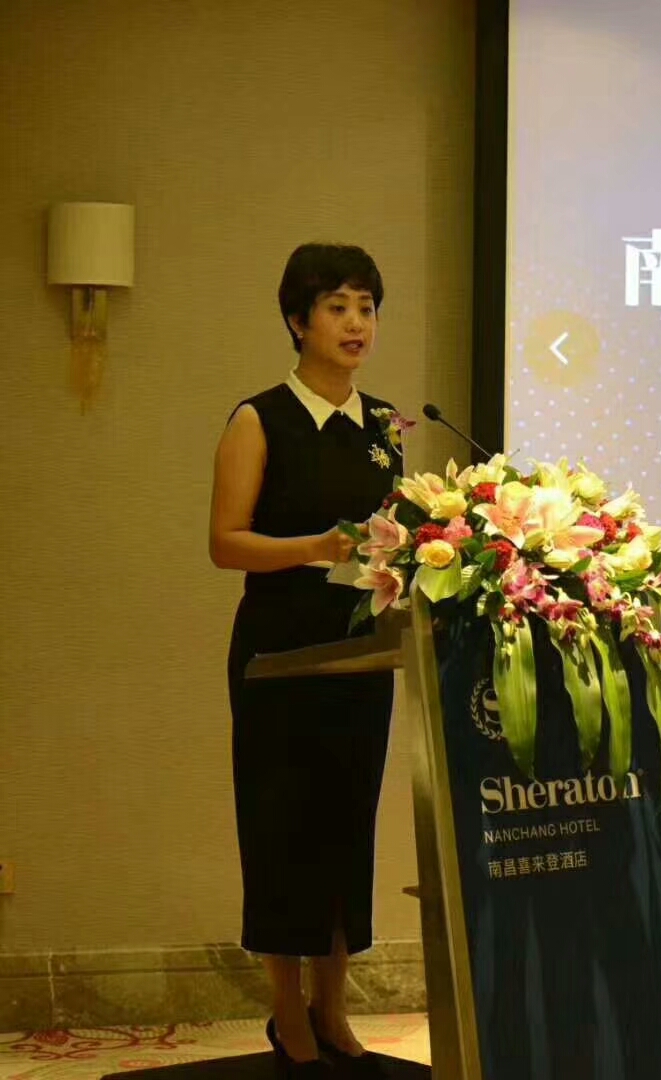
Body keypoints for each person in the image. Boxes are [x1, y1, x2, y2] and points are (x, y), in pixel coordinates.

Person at [209, 244, 400, 1077]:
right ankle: (286, 1009)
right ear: (297, 321)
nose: (356, 324)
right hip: (279, 655)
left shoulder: (385, 425)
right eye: (337, 307)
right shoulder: (260, 420)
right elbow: (225, 543)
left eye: (366, 307)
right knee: (283, 829)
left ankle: (334, 1006)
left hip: (360, 652)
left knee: (347, 826)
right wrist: (314, 547)